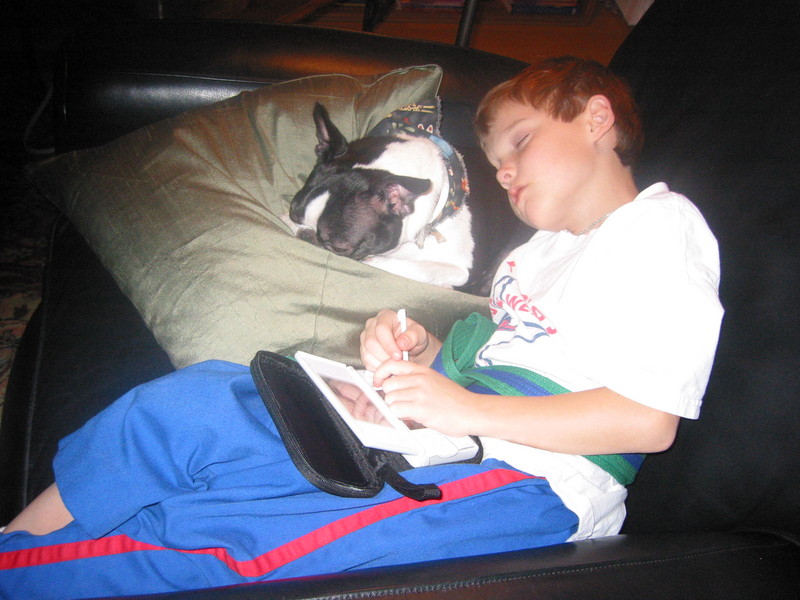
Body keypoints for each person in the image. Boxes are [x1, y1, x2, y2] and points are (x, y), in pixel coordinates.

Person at [0, 57, 723, 598]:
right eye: (496, 161)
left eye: (520, 143)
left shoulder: (658, 227)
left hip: (531, 484)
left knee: (228, 541)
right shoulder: (537, 255)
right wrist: (423, 353)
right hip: (441, 435)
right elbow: (501, 361)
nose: (503, 172)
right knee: (199, 402)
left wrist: (464, 409)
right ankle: (18, 539)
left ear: (596, 119)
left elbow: (647, 421)